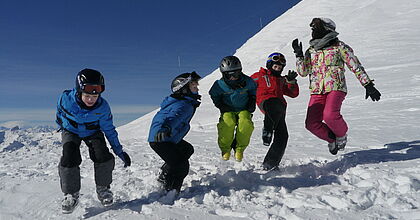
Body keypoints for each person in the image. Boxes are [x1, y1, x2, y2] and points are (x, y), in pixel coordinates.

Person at [292, 18, 381, 155]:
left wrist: (368, 84)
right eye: (313, 28)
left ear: (328, 29)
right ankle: (331, 139)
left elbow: (355, 66)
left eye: (317, 27)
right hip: (317, 91)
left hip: (335, 87)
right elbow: (303, 72)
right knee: (311, 124)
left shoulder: (339, 47)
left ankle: (341, 135)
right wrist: (298, 55)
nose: (314, 31)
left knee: (330, 116)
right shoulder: (311, 51)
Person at [56, 68, 131, 214]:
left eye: (95, 96)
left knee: (102, 155)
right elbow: (59, 113)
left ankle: (103, 189)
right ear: (79, 91)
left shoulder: (103, 107)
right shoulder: (65, 100)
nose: (91, 99)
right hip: (71, 131)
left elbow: (109, 129)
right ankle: (71, 194)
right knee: (69, 156)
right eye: (87, 95)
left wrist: (119, 151)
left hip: (92, 132)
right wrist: (62, 126)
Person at [148, 71, 201, 193]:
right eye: (193, 85)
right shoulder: (183, 104)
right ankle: (170, 192)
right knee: (181, 166)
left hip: (168, 138)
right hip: (161, 138)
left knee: (187, 149)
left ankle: (164, 176)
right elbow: (173, 117)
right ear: (183, 88)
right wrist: (165, 128)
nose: (197, 88)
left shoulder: (184, 102)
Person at [250, 52, 299, 171]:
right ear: (269, 65)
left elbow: (293, 94)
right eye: (275, 66)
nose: (277, 68)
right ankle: (267, 130)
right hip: (265, 102)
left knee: (283, 136)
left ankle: (270, 163)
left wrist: (291, 82)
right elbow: (247, 85)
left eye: (280, 67)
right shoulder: (260, 75)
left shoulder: (282, 80)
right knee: (273, 102)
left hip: (280, 109)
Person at [209, 56, 257, 162]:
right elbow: (214, 94)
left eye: (235, 74)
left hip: (243, 109)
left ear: (240, 71)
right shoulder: (219, 85)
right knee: (227, 124)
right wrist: (220, 105)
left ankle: (239, 149)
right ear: (223, 74)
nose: (233, 77)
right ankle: (225, 149)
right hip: (228, 109)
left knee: (246, 124)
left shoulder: (248, 81)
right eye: (229, 75)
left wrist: (252, 100)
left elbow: (253, 90)